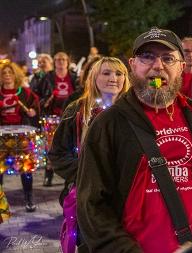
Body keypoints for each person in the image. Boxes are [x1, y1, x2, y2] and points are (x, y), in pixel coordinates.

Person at [76, 27, 192, 253]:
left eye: (168, 58)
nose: (157, 65)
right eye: (147, 56)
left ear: (181, 67)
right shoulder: (108, 124)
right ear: (133, 65)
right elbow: (91, 204)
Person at [48, 57, 129, 252]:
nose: (113, 78)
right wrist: (86, 173)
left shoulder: (132, 111)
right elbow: (57, 153)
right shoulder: (77, 110)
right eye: (106, 73)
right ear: (94, 77)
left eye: (119, 73)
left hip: (126, 196)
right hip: (87, 197)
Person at [0, 62, 40, 212]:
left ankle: (29, 197)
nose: (7, 75)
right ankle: (0, 203)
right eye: (4, 73)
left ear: (15, 75)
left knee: (26, 167)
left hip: (22, 135)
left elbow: (36, 105)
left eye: (10, 72)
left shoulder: (24, 92)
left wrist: (33, 112)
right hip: (2, 136)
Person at [39, 52, 78, 186]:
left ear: (67, 61)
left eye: (63, 59)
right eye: (58, 59)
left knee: (71, 146)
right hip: (52, 117)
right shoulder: (48, 77)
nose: (60, 62)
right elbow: (38, 95)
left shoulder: (73, 77)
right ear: (54, 62)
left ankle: (70, 175)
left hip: (69, 116)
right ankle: (48, 174)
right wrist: (46, 101)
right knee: (50, 147)